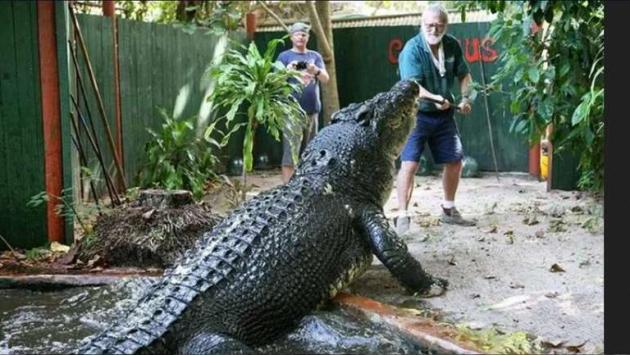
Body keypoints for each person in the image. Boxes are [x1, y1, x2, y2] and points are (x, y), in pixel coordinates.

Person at [395, 4, 476, 233]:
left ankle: (449, 210)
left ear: (445, 26)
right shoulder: (412, 49)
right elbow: (413, 86)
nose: (433, 29)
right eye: (429, 25)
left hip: (444, 116)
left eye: (438, 25)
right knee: (409, 164)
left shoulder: (452, 45)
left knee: (455, 160)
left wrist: (466, 98)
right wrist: (437, 98)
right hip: (416, 115)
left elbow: (464, 75)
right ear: (422, 24)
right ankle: (402, 215)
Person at [277, 22, 330, 183]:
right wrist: (288, 70)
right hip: (291, 112)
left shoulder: (315, 56)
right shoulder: (284, 57)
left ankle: (307, 187)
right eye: (298, 34)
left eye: (304, 34)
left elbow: (326, 79)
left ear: (307, 37)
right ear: (291, 37)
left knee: (311, 153)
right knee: (290, 154)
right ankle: (287, 190)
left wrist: (316, 70)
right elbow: (275, 82)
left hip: (312, 112)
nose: (301, 36)